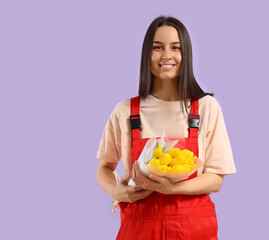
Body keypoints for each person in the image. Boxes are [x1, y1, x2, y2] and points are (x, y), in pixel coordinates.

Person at [96, 15, 236, 240]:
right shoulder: (125, 110)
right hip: (139, 226)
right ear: (146, 54)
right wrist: (115, 191)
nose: (167, 55)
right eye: (157, 47)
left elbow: (216, 178)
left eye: (175, 48)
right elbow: (104, 166)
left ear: (186, 54)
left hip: (193, 227)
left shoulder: (206, 108)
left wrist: (171, 190)